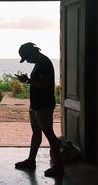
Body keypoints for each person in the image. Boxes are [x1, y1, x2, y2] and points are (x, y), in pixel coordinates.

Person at [15, 42, 64, 177]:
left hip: (43, 105)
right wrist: (28, 80)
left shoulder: (43, 63)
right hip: (36, 105)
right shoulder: (40, 62)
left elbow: (43, 85)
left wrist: (28, 81)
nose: (28, 61)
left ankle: (59, 167)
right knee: (36, 133)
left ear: (32, 53)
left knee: (50, 135)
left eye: (27, 58)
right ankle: (31, 160)